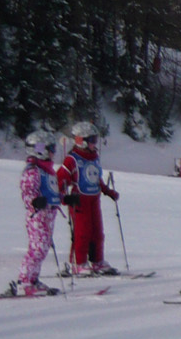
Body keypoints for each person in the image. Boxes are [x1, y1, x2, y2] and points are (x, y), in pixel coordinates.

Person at [57, 121, 119, 275]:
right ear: (81, 141)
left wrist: (107, 191)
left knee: (97, 232)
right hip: (79, 200)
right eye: (91, 140)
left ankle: (97, 260)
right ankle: (78, 262)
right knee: (82, 232)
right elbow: (61, 180)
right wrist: (64, 198)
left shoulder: (94, 157)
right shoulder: (72, 159)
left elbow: (96, 178)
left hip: (94, 199)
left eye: (95, 140)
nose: (94, 144)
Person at [9, 131, 62, 297]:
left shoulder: (47, 170)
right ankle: (24, 281)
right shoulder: (33, 171)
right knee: (37, 249)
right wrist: (34, 201)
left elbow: (52, 192)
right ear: (40, 150)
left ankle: (33, 280)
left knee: (43, 249)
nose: (54, 152)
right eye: (51, 148)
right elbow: (27, 192)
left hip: (49, 215)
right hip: (38, 216)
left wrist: (66, 198)